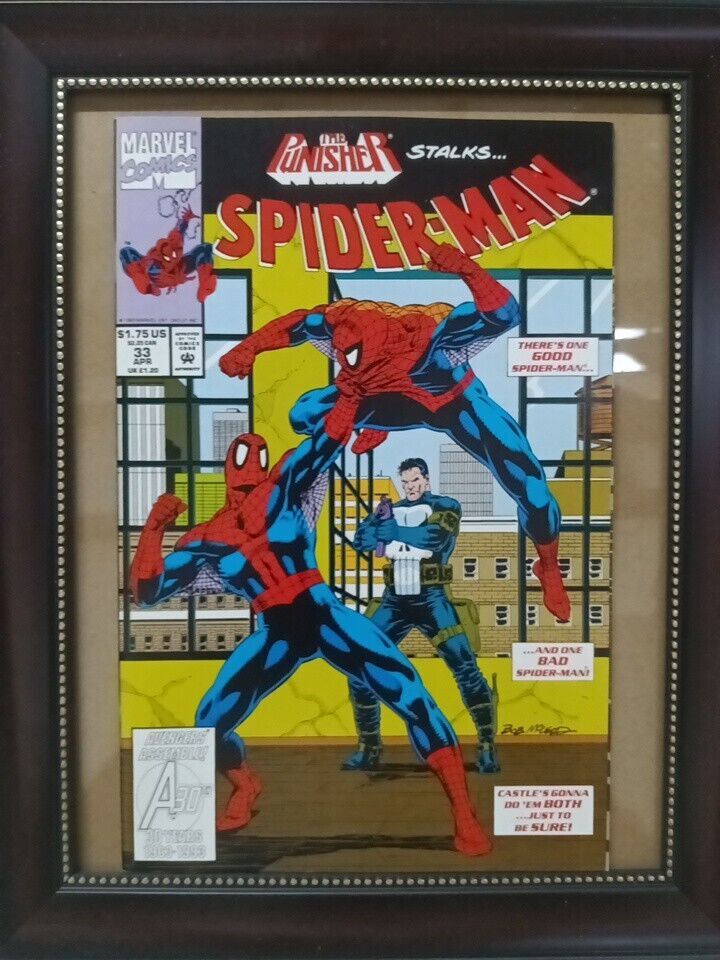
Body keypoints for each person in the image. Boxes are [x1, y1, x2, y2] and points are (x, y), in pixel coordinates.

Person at [130, 430, 492, 856]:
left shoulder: (285, 492)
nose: (251, 461)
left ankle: (464, 813)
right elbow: (147, 593)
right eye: (242, 456)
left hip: (322, 613)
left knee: (411, 695)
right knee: (209, 720)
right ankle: (245, 785)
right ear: (227, 470)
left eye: (258, 455)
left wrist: (361, 412)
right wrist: (153, 530)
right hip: (277, 630)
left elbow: (325, 440)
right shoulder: (207, 538)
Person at [219, 243, 570, 622]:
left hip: (451, 403)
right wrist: (250, 348)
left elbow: (504, 314)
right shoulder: (338, 323)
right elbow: (300, 323)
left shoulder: (434, 336)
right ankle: (374, 421)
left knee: (533, 491)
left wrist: (469, 271)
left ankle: (548, 566)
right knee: (303, 414)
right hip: (379, 402)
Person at [345, 457, 499, 774]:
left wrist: (391, 531)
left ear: (426, 479)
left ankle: (486, 744)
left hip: (432, 598)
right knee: (361, 665)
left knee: (465, 666)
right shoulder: (390, 510)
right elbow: (361, 540)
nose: (410, 487)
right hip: (394, 602)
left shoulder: (446, 505)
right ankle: (369, 746)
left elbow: (433, 538)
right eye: (405, 482)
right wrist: (379, 529)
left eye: (415, 480)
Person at [119, 206, 216, 302]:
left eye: (173, 253)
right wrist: (174, 280)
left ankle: (205, 287)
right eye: (168, 257)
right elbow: (158, 277)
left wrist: (186, 220)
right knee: (126, 251)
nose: (172, 257)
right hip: (162, 275)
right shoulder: (153, 264)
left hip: (178, 268)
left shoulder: (174, 244)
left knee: (205, 248)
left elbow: (178, 232)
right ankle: (148, 288)